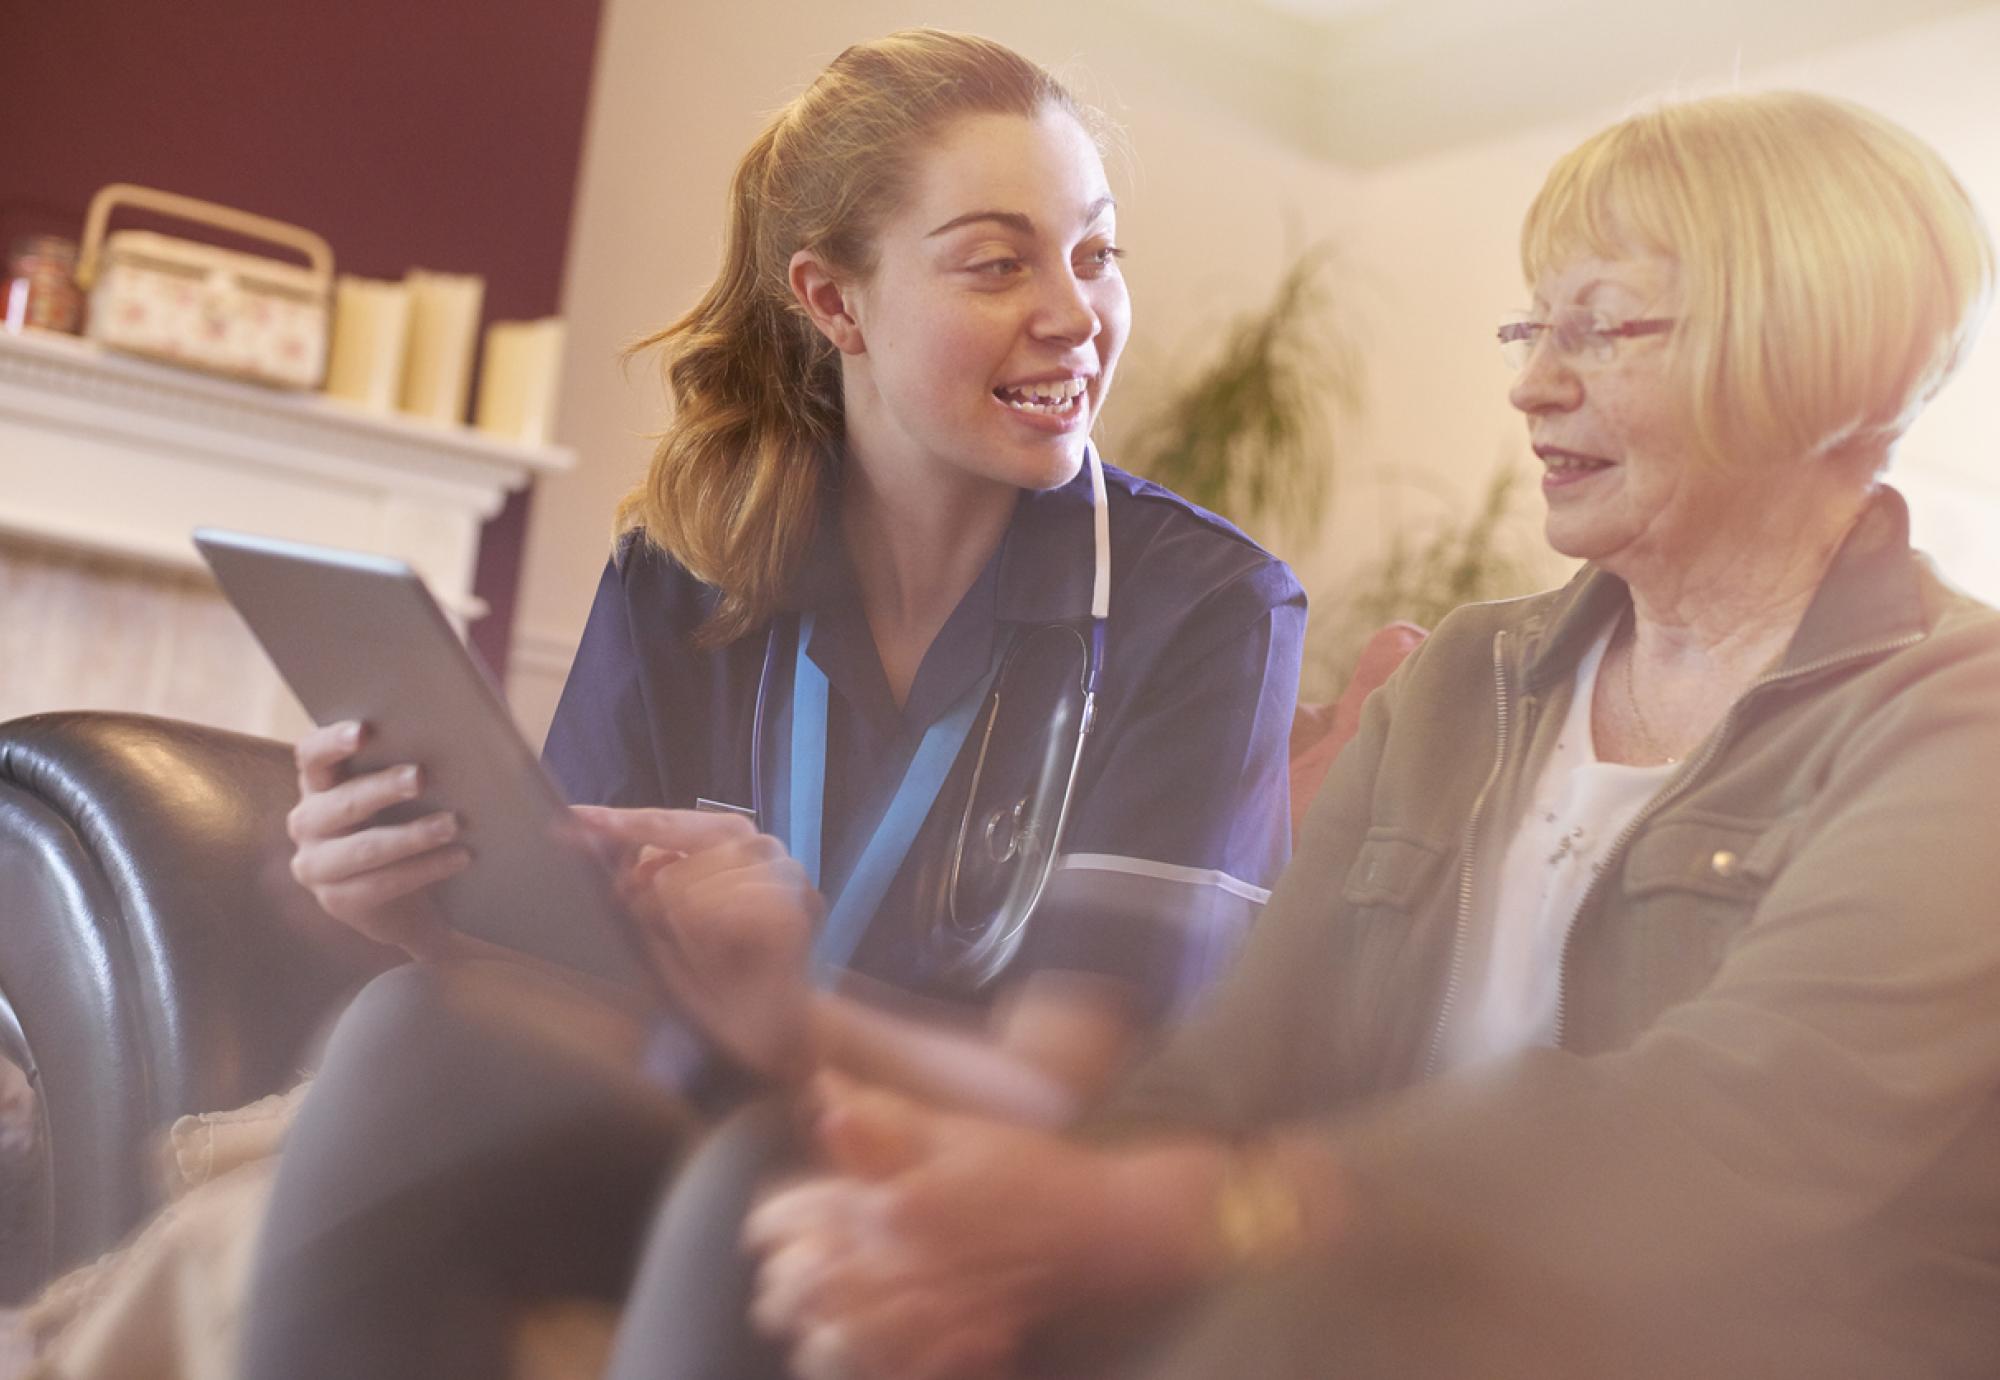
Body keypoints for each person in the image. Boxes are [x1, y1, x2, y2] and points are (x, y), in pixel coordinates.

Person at [737, 90, 2000, 1380]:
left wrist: (1170, 1218)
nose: (1531, 383)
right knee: (770, 1214)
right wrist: (984, 1226)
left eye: (1603, 329)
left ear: (1816, 358)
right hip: (1353, 1310)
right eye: (1532, 326)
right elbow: (1222, 1080)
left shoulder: (1963, 719)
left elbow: (1725, 1131)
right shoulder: (1463, 679)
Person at [240, 29, 1304, 1380]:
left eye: (1095, 252)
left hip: (967, 1181)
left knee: (768, 1174)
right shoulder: (685, 572)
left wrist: (794, 1015)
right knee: (408, 1034)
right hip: (670, 1135)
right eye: (999, 261)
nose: (1074, 310)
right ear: (835, 302)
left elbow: (1072, 1101)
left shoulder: (1206, 609)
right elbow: (585, 990)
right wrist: (416, 915)